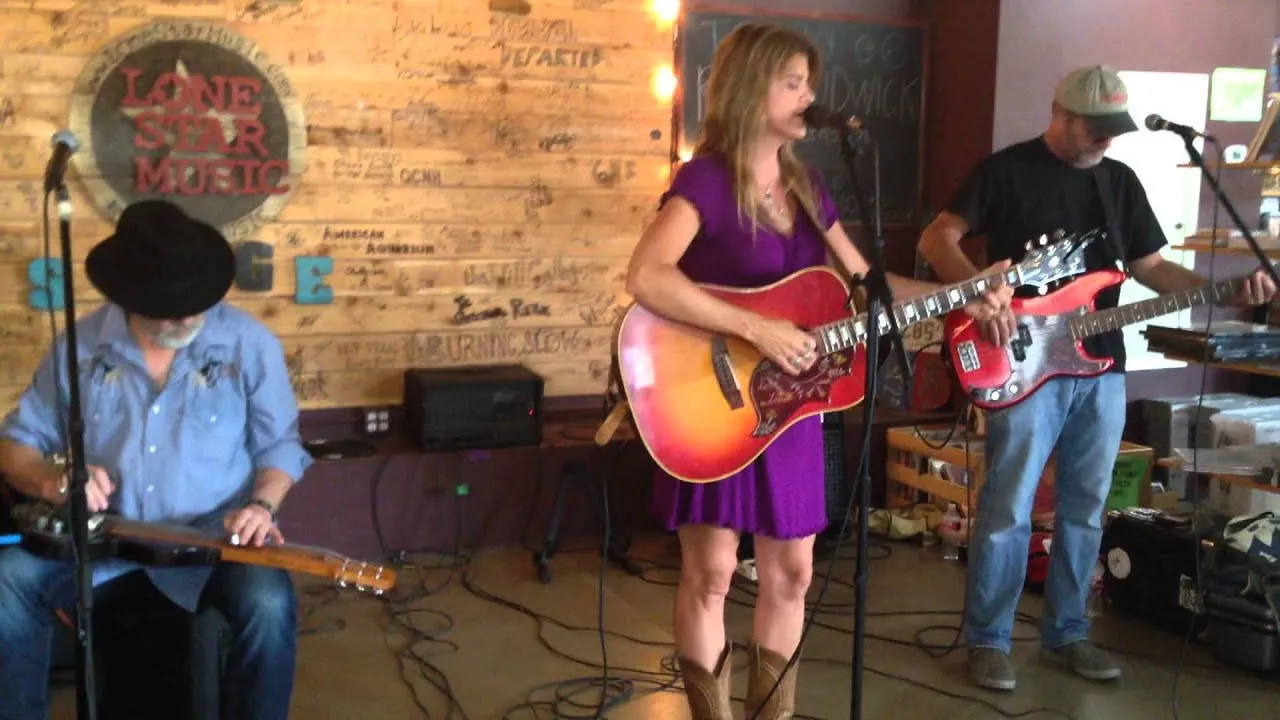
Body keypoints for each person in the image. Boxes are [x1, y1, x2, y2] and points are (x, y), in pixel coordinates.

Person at [625, 23, 1013, 719]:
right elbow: (647, 276)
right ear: (751, 89)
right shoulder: (706, 181)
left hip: (795, 411)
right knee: (711, 574)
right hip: (718, 405)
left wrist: (967, 292)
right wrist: (756, 327)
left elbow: (871, 287)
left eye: (810, 82)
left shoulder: (808, 186)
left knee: (795, 573)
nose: (810, 96)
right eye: (793, 82)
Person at [918, 65, 1277, 692]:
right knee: (1008, 508)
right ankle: (988, 639)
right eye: (1096, 129)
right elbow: (937, 236)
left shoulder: (1120, 182)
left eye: (1115, 130)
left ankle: (1067, 633)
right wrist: (979, 288)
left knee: (1087, 510)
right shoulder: (1005, 170)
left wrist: (1223, 292)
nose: (1106, 141)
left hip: (1101, 364)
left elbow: (1151, 268)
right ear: (1060, 114)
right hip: (1023, 359)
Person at [0, 199, 314, 720]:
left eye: (198, 301)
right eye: (171, 307)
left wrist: (262, 505)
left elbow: (281, 444)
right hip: (104, 535)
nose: (190, 317)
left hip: (215, 536)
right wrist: (50, 481)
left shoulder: (247, 343)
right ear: (130, 297)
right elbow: (18, 443)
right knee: (7, 580)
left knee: (269, 606)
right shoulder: (79, 348)